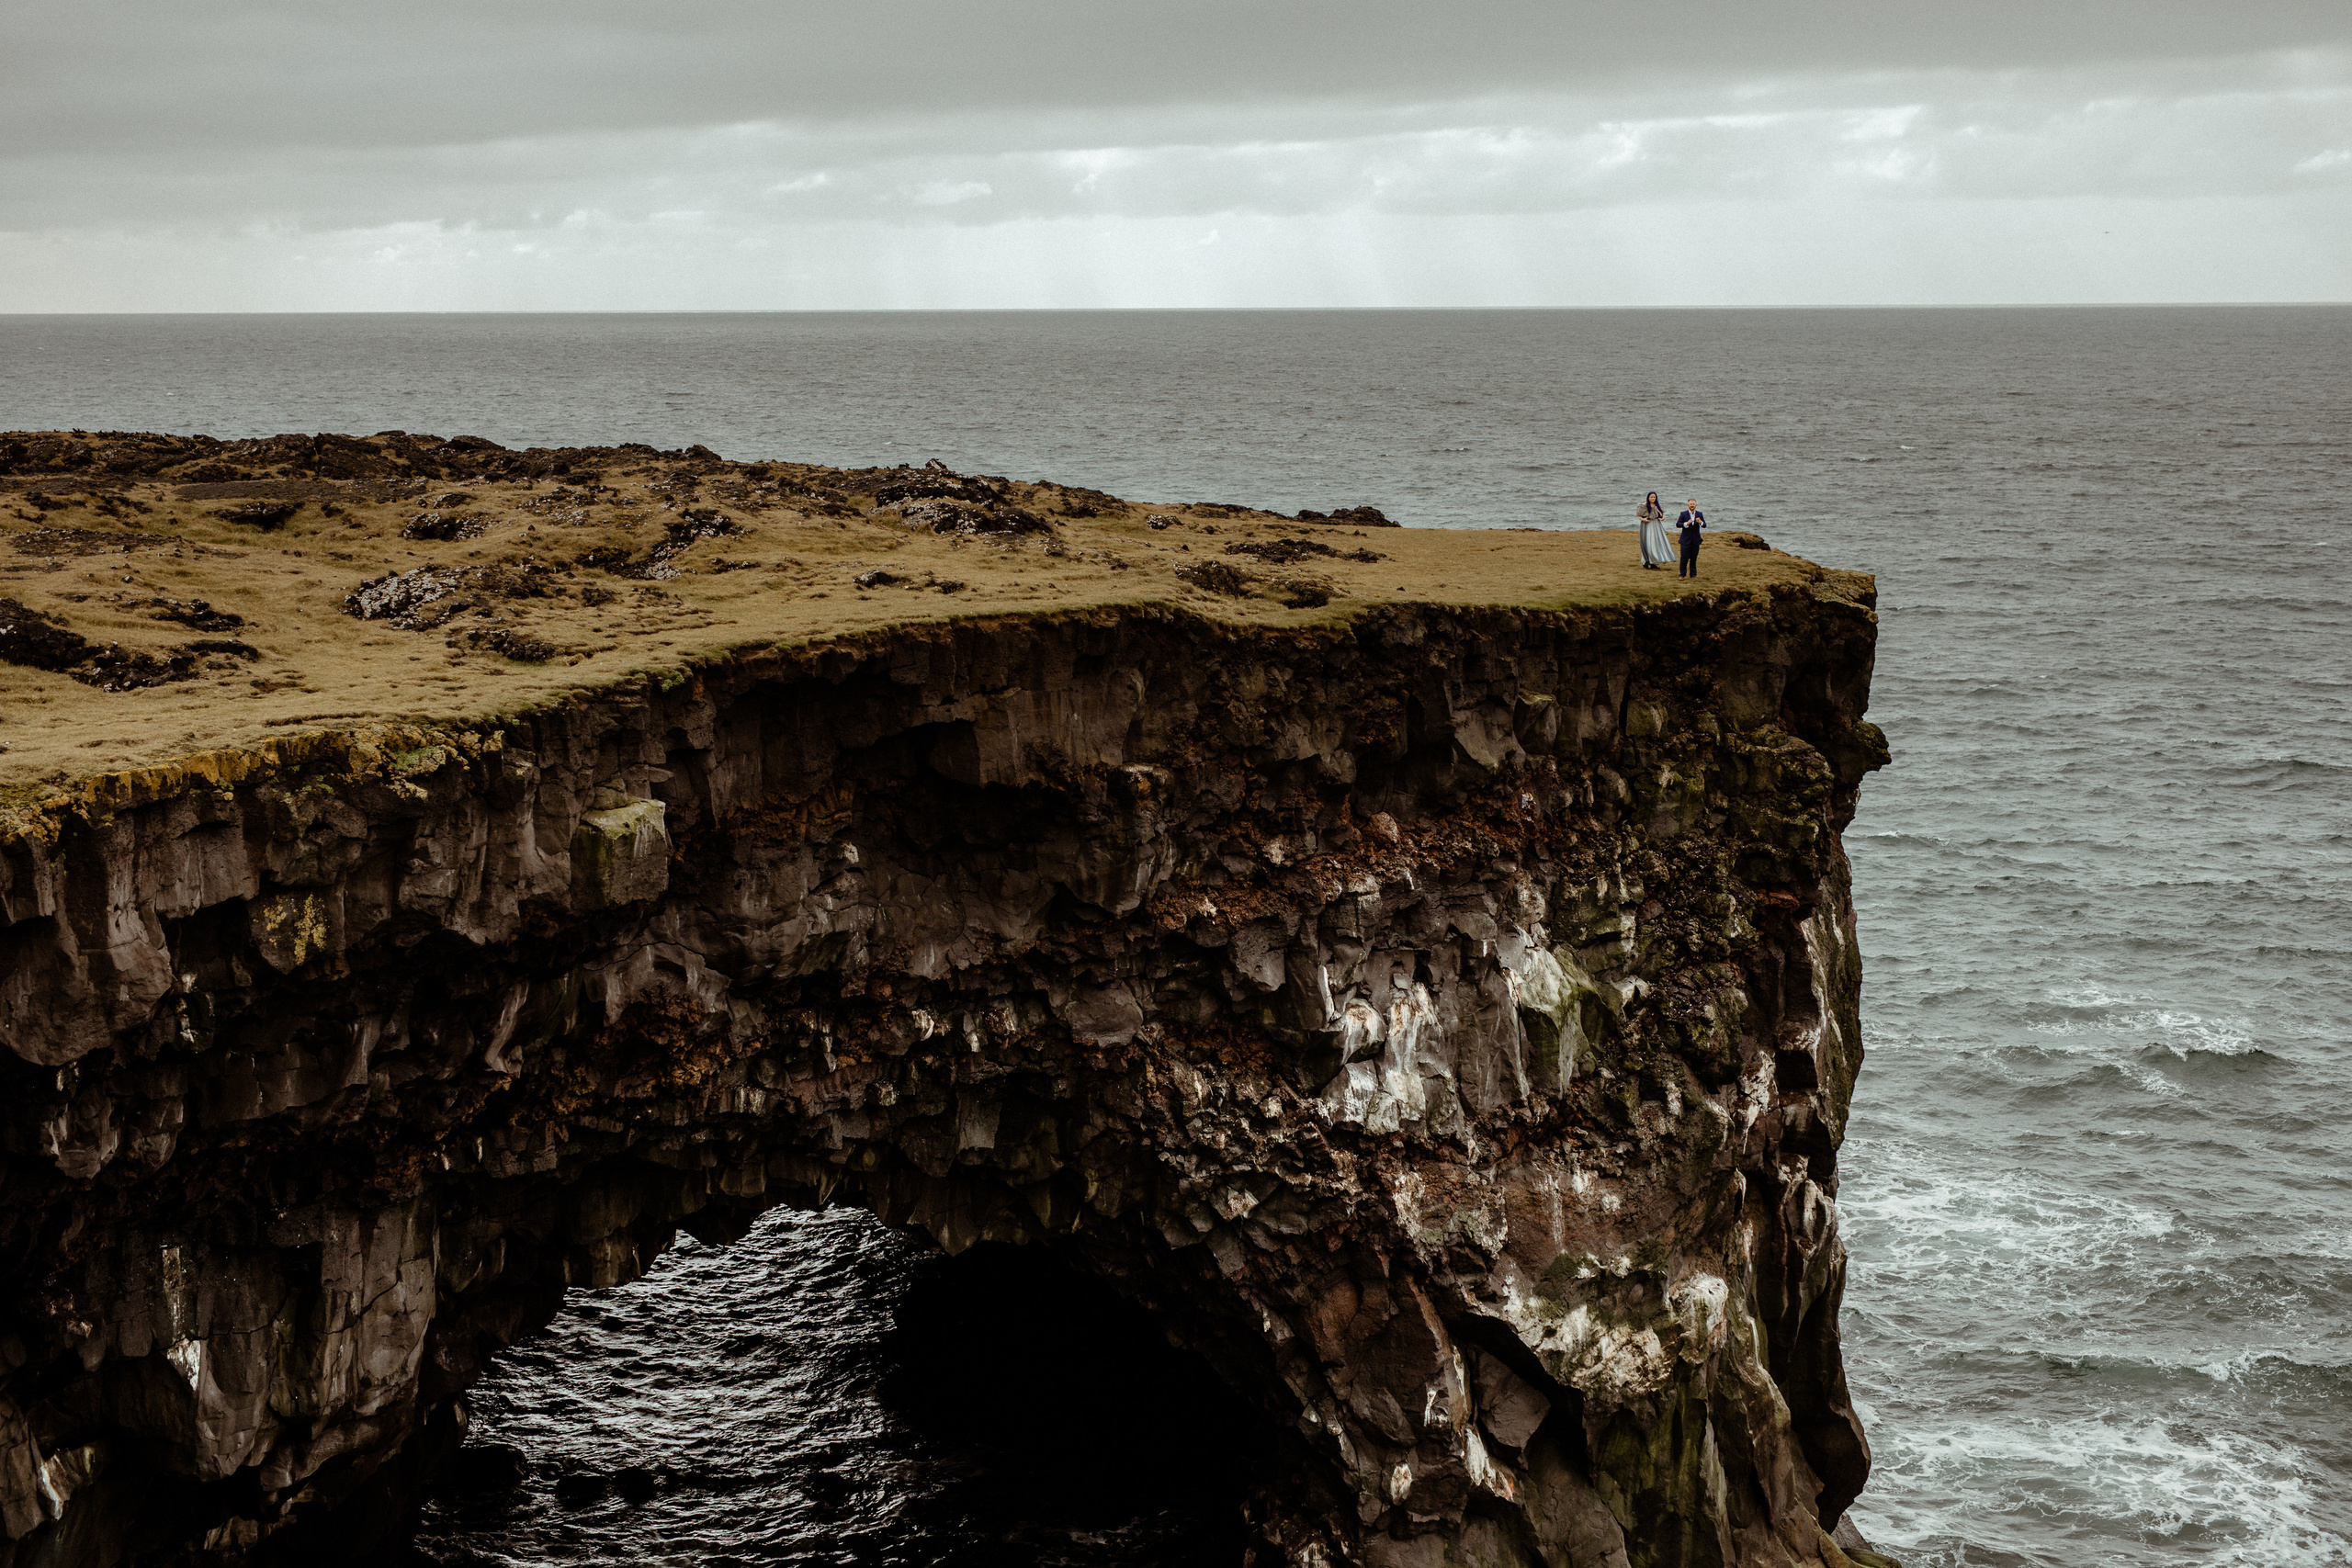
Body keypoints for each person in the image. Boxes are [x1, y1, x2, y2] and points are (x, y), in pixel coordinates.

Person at [1637, 491, 1670, 569]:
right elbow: (1638, 516)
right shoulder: (1643, 505)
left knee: (1655, 543)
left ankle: (1653, 561)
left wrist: (1663, 517)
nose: (1653, 498)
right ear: (1648, 498)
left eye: (1654, 497)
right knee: (1647, 542)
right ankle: (1646, 561)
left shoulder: (1657, 505)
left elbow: (1661, 515)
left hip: (1656, 525)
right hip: (1647, 525)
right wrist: (1643, 519)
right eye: (1651, 497)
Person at [1675, 499, 1705, 578]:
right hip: (1685, 540)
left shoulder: (1699, 514)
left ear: (1696, 505)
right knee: (1684, 558)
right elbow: (1678, 524)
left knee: (1693, 558)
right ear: (1688, 505)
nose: (1692, 505)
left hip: (1695, 540)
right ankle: (1682, 574)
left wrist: (1700, 522)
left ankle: (1693, 575)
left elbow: (1704, 525)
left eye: (1693, 504)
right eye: (1691, 504)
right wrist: (1686, 524)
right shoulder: (1683, 514)